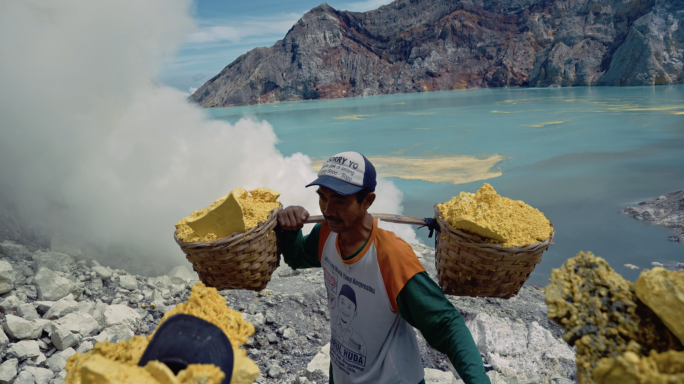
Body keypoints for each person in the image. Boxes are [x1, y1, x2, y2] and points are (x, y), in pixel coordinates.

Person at [276, 151, 491, 384]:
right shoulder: (327, 232)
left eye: (340, 200)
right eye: (323, 197)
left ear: (367, 201)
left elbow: (447, 326)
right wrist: (290, 228)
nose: (328, 209)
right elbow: (297, 257)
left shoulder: (390, 256)